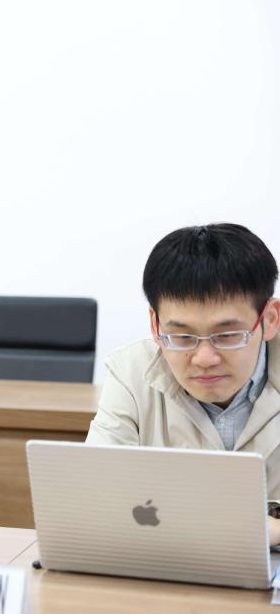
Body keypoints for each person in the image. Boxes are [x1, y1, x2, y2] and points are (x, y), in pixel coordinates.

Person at [87, 223, 280, 546]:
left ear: (270, 319)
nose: (204, 358)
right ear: (155, 325)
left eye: (227, 335)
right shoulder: (130, 372)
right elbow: (93, 495)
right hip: (167, 564)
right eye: (181, 336)